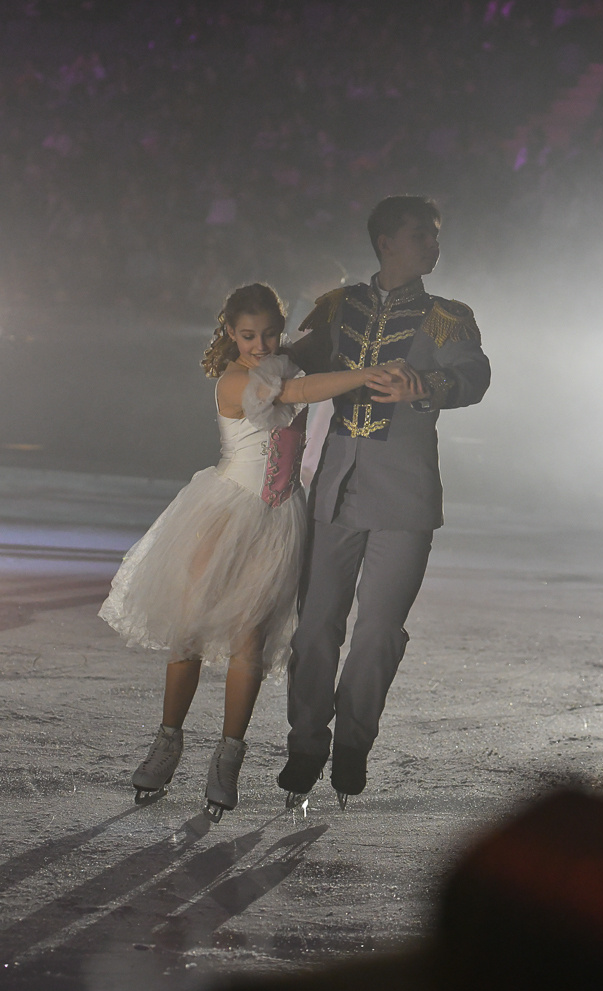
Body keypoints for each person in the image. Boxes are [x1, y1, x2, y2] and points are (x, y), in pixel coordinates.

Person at [99, 282, 401, 821]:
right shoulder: (236, 379)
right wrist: (365, 375)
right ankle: (167, 744)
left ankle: (227, 758)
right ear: (229, 333)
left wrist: (338, 314)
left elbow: (300, 357)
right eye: (246, 335)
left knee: (250, 641)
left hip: (278, 518)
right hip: (223, 515)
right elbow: (297, 394)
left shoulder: (278, 362)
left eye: (268, 335)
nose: (258, 345)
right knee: (188, 632)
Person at [278, 196, 492, 809]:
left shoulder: (450, 316)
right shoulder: (338, 306)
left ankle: (351, 745)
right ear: (386, 242)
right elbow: (296, 360)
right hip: (336, 488)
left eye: (434, 235)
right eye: (422, 234)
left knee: (377, 631)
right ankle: (305, 744)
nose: (434, 245)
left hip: (406, 495)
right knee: (315, 627)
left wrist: (429, 385)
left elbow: (473, 376)